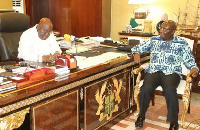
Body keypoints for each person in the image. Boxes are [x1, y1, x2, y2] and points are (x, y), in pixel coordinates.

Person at [131, 20, 198, 130]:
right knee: (146, 88)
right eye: (161, 28)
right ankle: (141, 116)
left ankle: (173, 121)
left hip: (172, 72)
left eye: (164, 29)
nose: (161, 31)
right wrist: (137, 53)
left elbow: (189, 59)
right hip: (154, 70)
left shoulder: (181, 43)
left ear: (173, 31)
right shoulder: (153, 40)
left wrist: (194, 68)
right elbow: (137, 48)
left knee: (170, 90)